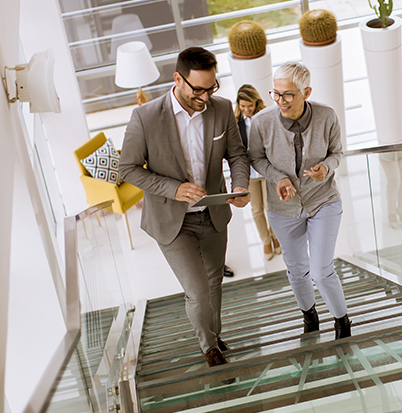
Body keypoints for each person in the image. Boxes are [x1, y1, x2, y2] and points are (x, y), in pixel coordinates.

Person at [119, 47, 250, 372]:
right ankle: (208, 346)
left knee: (215, 281)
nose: (205, 97)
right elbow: (128, 169)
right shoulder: (145, 117)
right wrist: (174, 189)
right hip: (172, 221)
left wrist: (238, 185)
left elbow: (236, 155)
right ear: (178, 79)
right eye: (198, 89)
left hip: (214, 213)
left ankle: (215, 336)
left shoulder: (220, 109)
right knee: (197, 289)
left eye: (211, 88)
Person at [248, 62, 351, 339]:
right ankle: (310, 316)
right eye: (276, 94)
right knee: (296, 270)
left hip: (323, 201)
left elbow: (337, 152)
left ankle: (342, 322)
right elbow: (256, 158)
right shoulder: (261, 123)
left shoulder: (327, 116)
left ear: (306, 91)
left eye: (289, 95)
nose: (281, 101)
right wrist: (278, 178)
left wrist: (326, 169)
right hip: (283, 209)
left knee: (321, 269)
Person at [235, 84, 282, 260]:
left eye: (250, 106)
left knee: (272, 207)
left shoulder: (266, 118)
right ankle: (265, 240)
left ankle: (275, 236)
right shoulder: (236, 124)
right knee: (256, 210)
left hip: (267, 170)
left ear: (256, 103)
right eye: (243, 106)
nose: (246, 110)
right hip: (250, 174)